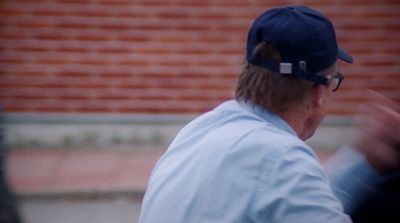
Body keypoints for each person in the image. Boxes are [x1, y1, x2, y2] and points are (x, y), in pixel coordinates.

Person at [138, 5, 400, 223]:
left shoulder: (200, 129)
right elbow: (291, 188)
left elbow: (299, 199)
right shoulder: (282, 161)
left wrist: (364, 162)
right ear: (320, 92)